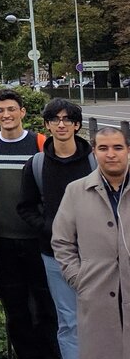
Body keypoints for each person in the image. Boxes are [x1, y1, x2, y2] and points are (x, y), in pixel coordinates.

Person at [0, 88, 59, 359]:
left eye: (11, 109)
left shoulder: (40, 144)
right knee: (16, 308)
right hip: (3, 241)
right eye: (0, 110)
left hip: (37, 240)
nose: (6, 114)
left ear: (22, 112)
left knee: (46, 306)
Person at [17, 99, 92, 359]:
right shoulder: (36, 165)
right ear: (47, 125)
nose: (61, 125)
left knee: (103, 314)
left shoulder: (95, 162)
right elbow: (25, 207)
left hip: (97, 253)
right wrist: (49, 228)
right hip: (54, 255)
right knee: (68, 319)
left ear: (77, 125)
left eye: (67, 119)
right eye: (55, 120)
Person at [51, 126, 130, 359]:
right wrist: (79, 277)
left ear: (128, 150)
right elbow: (62, 241)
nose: (111, 154)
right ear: (94, 152)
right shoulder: (76, 191)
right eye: (103, 148)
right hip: (96, 291)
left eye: (118, 147)